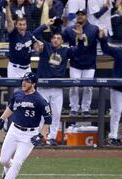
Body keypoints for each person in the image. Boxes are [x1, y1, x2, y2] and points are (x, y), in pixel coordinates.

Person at [0, 72, 52, 179]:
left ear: (34, 84)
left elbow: (48, 121)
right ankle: (10, 167)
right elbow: (11, 107)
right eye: (23, 80)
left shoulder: (40, 100)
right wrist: (2, 119)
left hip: (29, 135)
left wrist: (41, 135)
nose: (24, 83)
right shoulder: (18, 94)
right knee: (3, 160)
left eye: (28, 81)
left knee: (18, 163)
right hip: (14, 130)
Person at [33, 18, 85, 146]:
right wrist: (46, 24)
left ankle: (51, 138)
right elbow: (35, 34)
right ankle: (39, 137)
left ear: (62, 41)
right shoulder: (45, 47)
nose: (56, 40)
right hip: (43, 87)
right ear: (51, 40)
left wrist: (80, 36)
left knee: (56, 115)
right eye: (54, 38)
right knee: (41, 115)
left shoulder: (65, 51)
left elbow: (79, 50)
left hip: (57, 88)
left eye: (58, 38)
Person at [62, 9, 100, 116]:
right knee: (74, 87)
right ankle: (73, 108)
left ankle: (85, 108)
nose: (80, 16)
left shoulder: (94, 29)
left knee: (88, 87)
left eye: (82, 15)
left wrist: (103, 35)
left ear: (86, 16)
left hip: (89, 63)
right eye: (78, 15)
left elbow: (102, 39)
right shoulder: (70, 29)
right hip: (75, 63)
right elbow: (60, 38)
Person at [1, 0, 37, 78]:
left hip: (27, 68)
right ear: (16, 25)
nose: (22, 26)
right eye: (20, 25)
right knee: (14, 90)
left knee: (28, 90)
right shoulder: (13, 33)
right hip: (14, 69)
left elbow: (36, 46)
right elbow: (9, 20)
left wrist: (39, 46)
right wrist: (7, 7)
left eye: (24, 25)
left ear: (26, 25)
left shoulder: (29, 35)